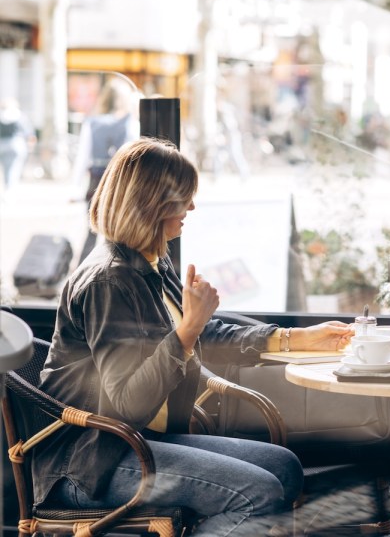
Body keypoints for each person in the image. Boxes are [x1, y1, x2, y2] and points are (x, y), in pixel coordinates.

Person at [37, 138, 353, 536]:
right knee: (257, 493)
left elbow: (209, 331)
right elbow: (128, 403)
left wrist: (295, 338)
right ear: (151, 203)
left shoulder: (150, 260)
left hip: (138, 441)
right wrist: (188, 329)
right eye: (183, 198)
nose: (192, 208)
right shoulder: (110, 280)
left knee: (284, 468)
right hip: (91, 461)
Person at [71, 77, 138, 262]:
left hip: (96, 178)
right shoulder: (130, 123)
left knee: (92, 229)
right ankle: (116, 268)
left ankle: (82, 272)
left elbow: (83, 158)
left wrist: (75, 186)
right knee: (116, 230)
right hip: (120, 180)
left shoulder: (91, 123)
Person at [0, 97, 34, 199]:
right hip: (16, 144)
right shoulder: (20, 116)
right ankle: (10, 189)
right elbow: (28, 132)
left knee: (6, 168)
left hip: (2, 144)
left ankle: (7, 188)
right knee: (14, 168)